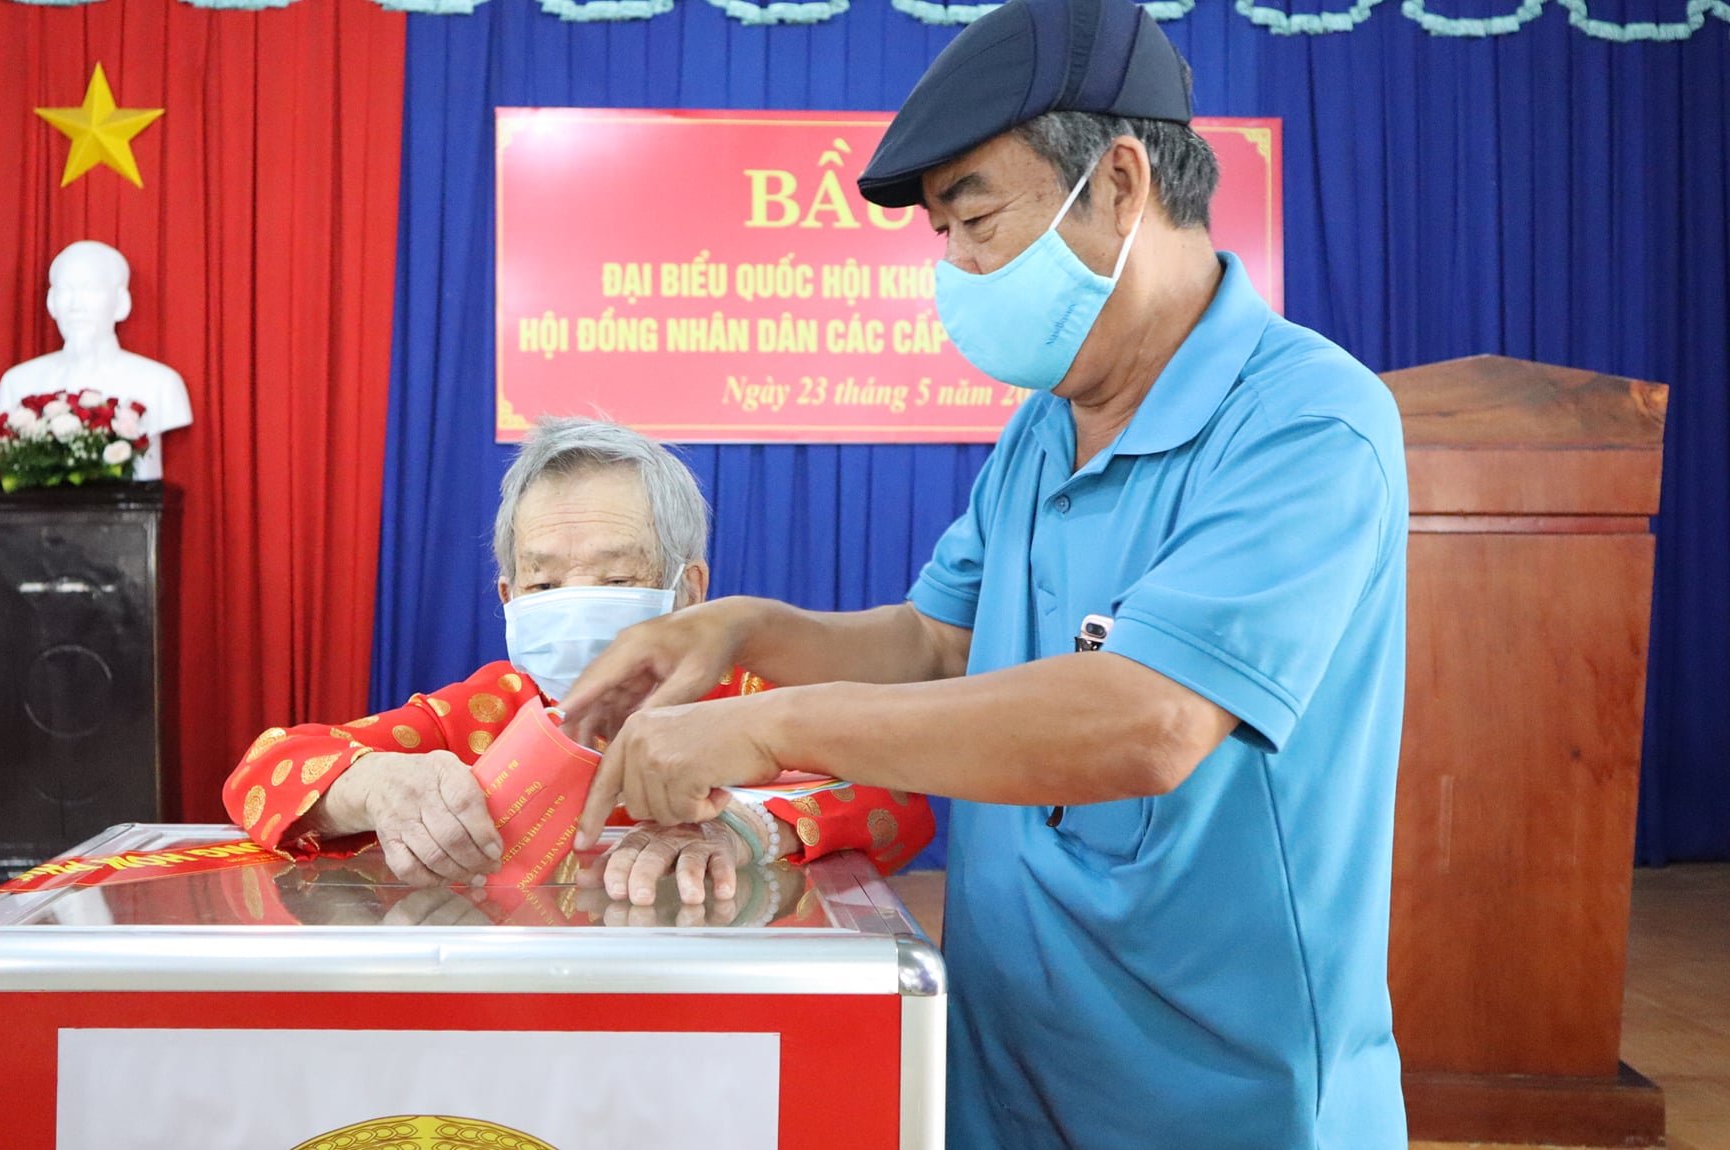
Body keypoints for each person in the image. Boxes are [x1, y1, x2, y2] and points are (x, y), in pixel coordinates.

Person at [556, 0, 1409, 1145]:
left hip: (1213, 1089)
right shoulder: (1043, 430)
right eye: (942, 236)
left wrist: (766, 728)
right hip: (1005, 1062)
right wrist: (744, 629)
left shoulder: (1305, 422)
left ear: (1117, 184)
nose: (954, 267)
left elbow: (1148, 720)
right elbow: (935, 643)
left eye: (976, 221)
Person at [221, 417, 933, 906]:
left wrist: (747, 830)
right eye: (543, 585)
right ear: (507, 598)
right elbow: (266, 769)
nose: (575, 604)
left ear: (689, 590)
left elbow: (896, 800)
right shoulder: (485, 711)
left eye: (617, 578)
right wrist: (376, 785)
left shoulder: (757, 700)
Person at [0, 240, 192, 481]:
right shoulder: (18, 382)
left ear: (121, 303)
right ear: (51, 302)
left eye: (91, 290)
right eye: (66, 291)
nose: (76, 305)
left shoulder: (160, 383)